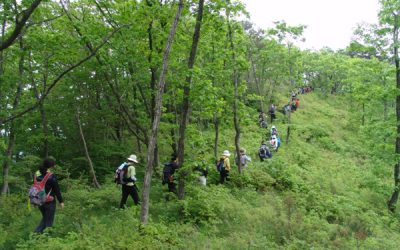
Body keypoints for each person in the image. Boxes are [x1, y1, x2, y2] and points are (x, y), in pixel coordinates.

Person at [34, 158, 64, 233]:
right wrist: (61, 202)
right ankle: (38, 236)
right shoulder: (51, 176)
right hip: (49, 201)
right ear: (51, 166)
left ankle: (37, 237)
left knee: (45, 219)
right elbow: (57, 190)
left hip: (39, 200)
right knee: (48, 223)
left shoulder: (37, 174)